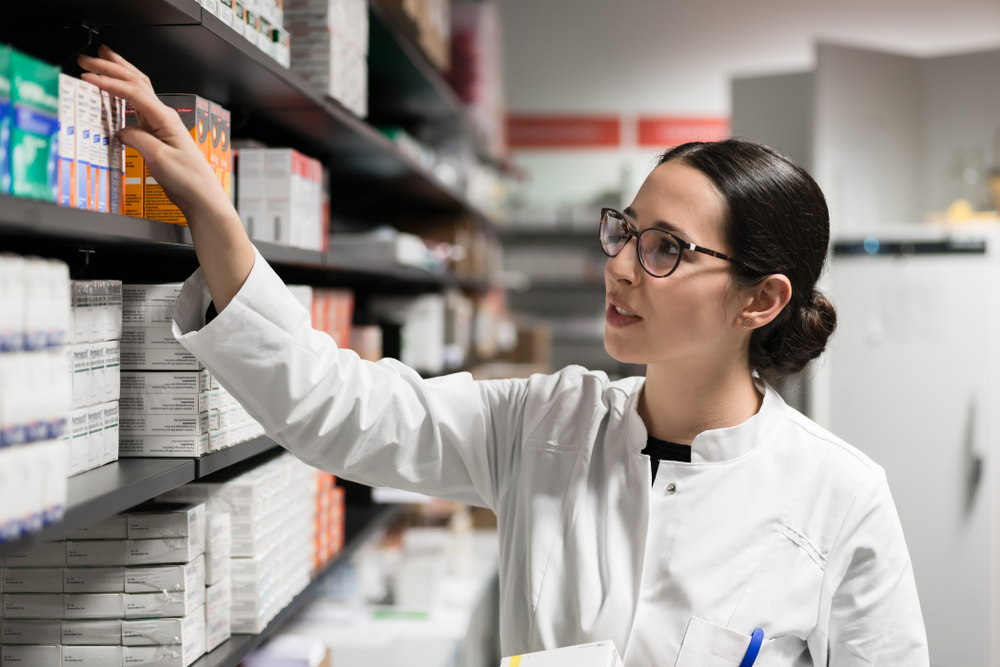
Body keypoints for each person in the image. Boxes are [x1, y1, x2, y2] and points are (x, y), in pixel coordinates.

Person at [80, 46, 929, 666]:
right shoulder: (545, 423)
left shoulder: (841, 496)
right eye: (625, 231)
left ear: (761, 299)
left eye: (666, 249)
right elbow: (335, 405)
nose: (622, 265)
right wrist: (215, 214)